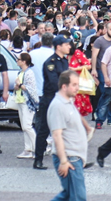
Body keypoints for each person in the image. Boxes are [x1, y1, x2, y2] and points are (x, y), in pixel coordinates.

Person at [48, 69, 88, 201]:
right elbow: (57, 135)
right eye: (74, 85)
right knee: (78, 197)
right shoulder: (58, 106)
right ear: (64, 87)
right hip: (70, 158)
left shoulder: (68, 101)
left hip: (75, 157)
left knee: (68, 194)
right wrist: (64, 161)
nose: (78, 88)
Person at [35, 35, 71, 170]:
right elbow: (54, 82)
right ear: (58, 46)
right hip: (51, 99)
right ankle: (38, 159)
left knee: (66, 130)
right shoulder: (50, 62)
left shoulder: (64, 61)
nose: (69, 46)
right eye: (66, 44)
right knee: (44, 129)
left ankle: (69, 159)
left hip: (63, 99)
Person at [15, 53, 39, 160]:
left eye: (19, 59)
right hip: (20, 100)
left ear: (24, 61)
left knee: (27, 126)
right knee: (24, 126)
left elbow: (30, 88)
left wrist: (20, 85)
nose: (17, 61)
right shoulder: (21, 72)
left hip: (27, 102)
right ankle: (28, 149)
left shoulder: (29, 73)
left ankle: (36, 148)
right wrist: (17, 86)